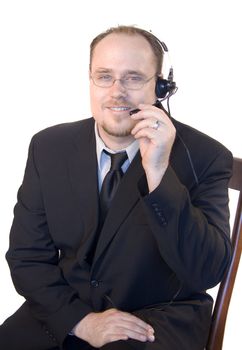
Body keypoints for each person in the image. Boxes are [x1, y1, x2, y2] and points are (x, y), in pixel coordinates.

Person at [0, 25, 233, 350]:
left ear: (161, 87)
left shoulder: (208, 157)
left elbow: (207, 272)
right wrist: (81, 321)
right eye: (104, 76)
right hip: (68, 307)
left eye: (134, 77)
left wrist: (158, 172)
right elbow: (27, 258)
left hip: (156, 320)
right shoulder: (48, 147)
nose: (117, 91)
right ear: (91, 80)